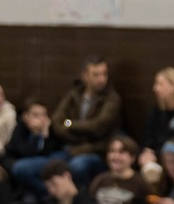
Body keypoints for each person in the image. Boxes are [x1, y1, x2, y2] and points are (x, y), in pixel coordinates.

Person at [51, 56, 123, 186]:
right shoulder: (74, 94)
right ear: (85, 76)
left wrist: (70, 124)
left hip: (96, 151)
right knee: (49, 165)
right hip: (71, 147)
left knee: (77, 166)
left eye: (104, 74)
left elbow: (97, 126)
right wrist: (71, 130)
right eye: (96, 75)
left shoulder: (112, 99)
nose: (102, 79)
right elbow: (57, 121)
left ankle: (82, 201)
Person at [6, 98, 69, 204]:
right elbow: (23, 152)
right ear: (26, 116)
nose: (40, 119)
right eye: (35, 115)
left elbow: (50, 152)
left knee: (22, 168)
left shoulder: (52, 127)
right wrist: (35, 135)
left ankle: (52, 192)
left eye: (43, 115)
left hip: (51, 158)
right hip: (30, 163)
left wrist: (45, 134)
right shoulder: (20, 128)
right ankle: (47, 193)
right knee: (20, 168)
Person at [88, 134, 153, 204]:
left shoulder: (140, 183)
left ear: (132, 157)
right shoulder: (99, 181)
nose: (115, 156)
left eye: (121, 152)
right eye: (112, 151)